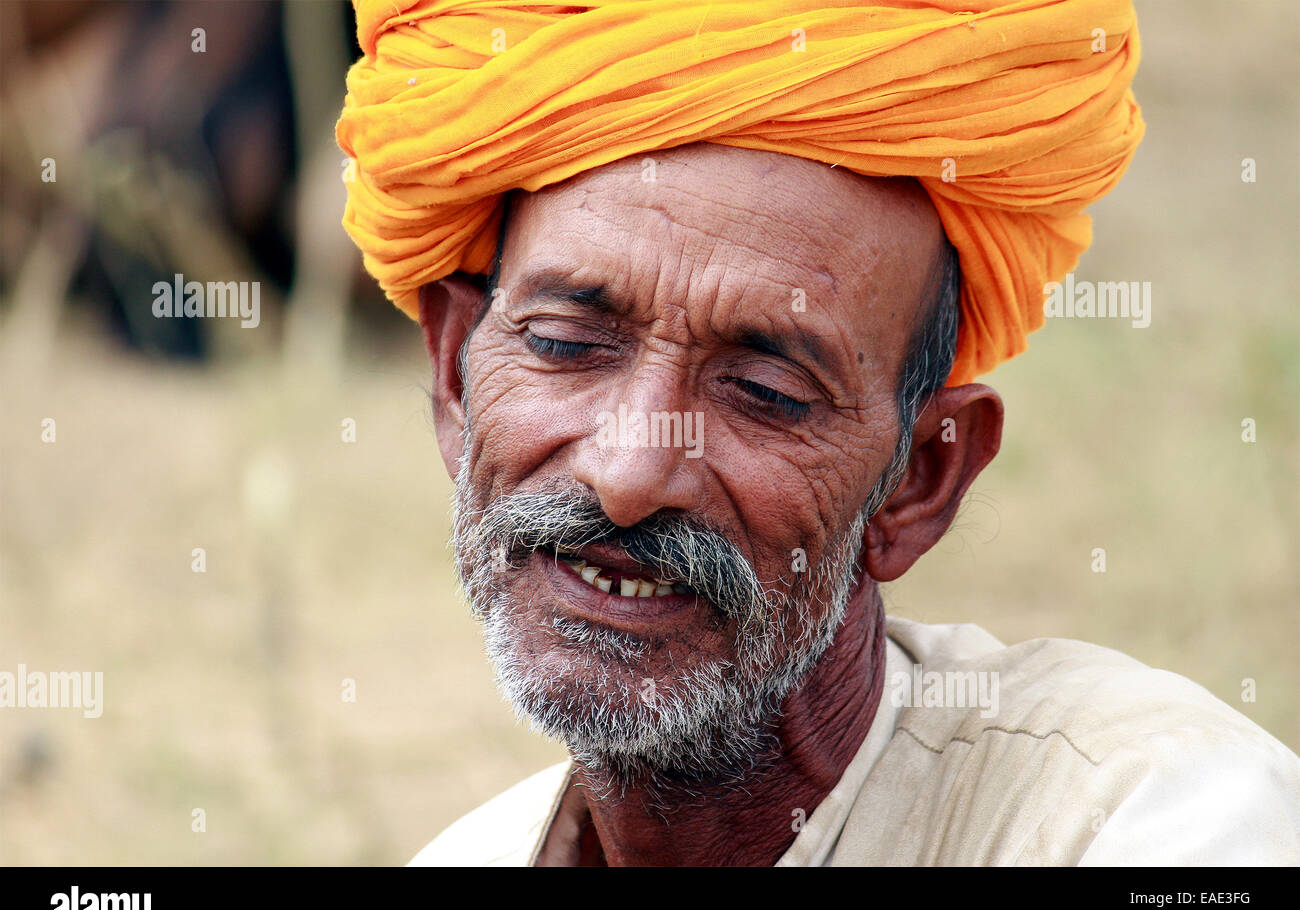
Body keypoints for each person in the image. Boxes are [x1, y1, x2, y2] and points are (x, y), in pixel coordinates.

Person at [336, 0, 1300, 865]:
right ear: (454, 375)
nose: (631, 473)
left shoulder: (1153, 820)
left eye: (764, 392)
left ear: (921, 481)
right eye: (566, 343)